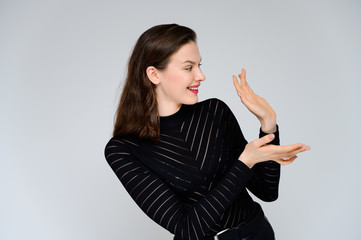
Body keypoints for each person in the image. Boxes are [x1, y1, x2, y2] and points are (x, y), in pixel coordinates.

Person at [104, 24, 310, 240]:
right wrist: (244, 163)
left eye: (199, 65)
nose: (201, 76)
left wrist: (268, 124)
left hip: (257, 233)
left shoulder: (214, 112)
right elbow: (187, 228)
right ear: (154, 74)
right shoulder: (123, 149)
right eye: (188, 67)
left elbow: (267, 192)